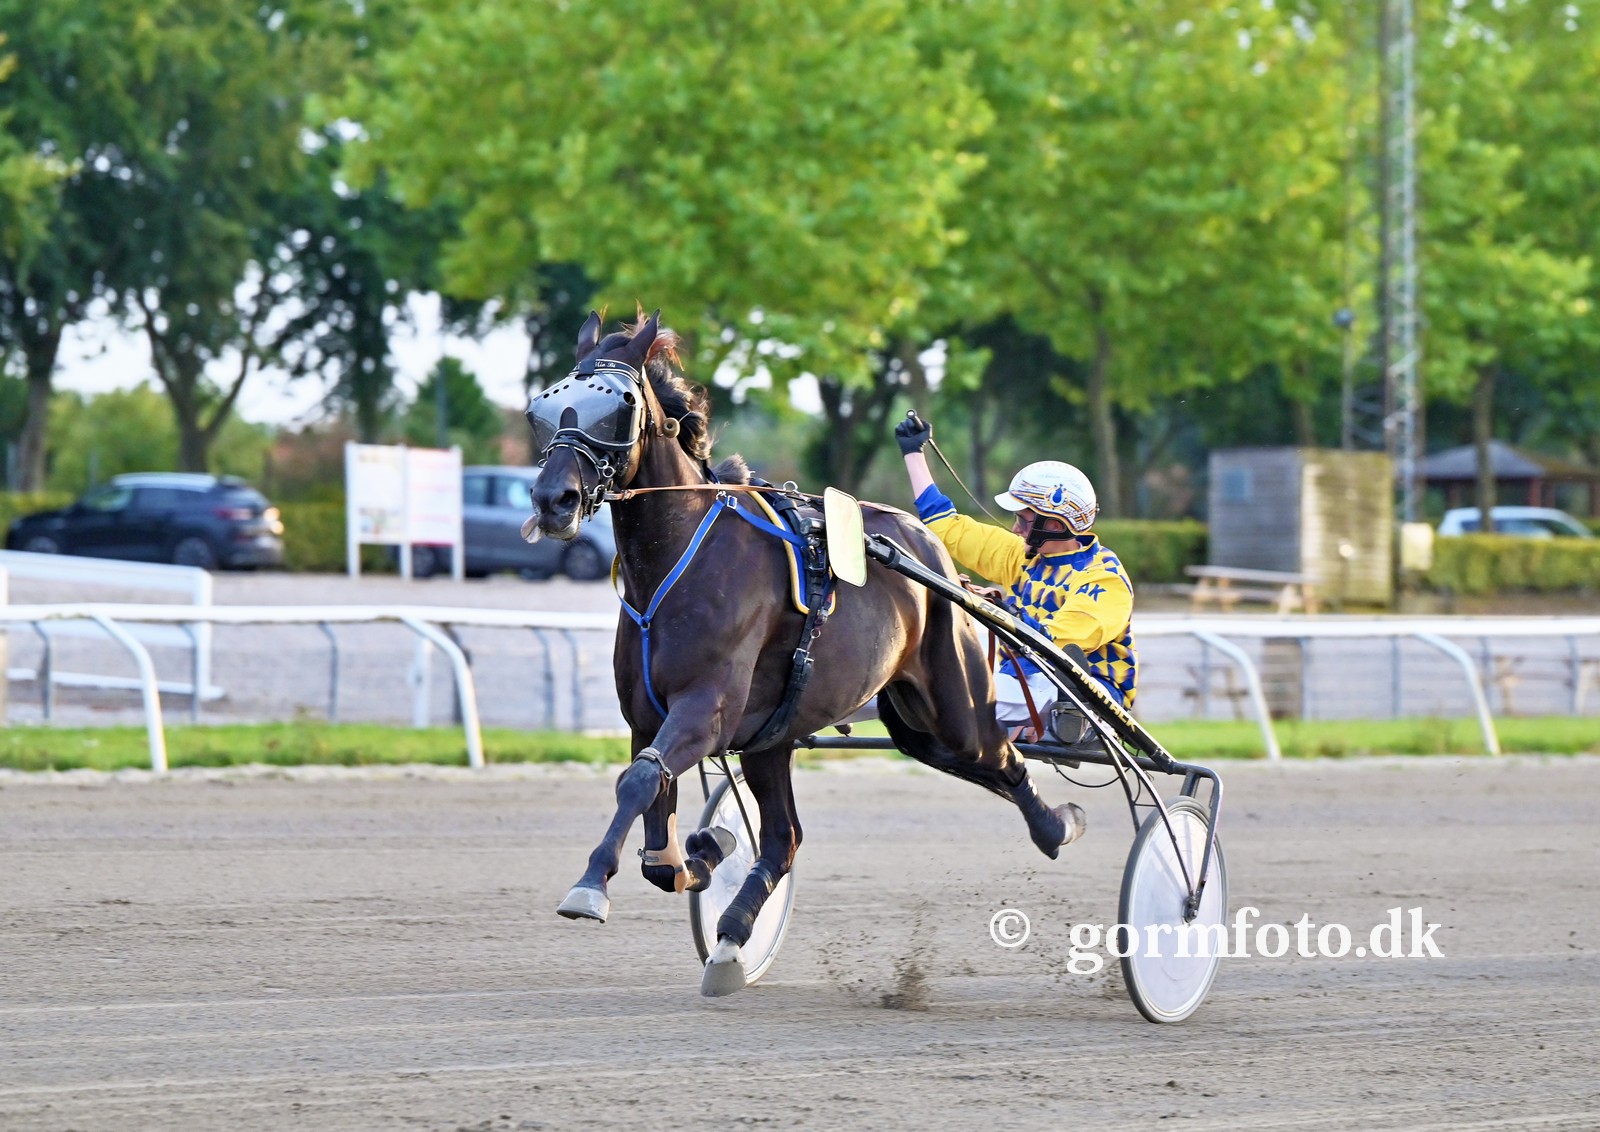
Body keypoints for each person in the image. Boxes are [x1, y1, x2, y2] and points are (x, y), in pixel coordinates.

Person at [894, 413, 1137, 742]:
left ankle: (1040, 728)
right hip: (1026, 678)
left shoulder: (1104, 580)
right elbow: (947, 527)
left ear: (1055, 523)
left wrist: (1005, 611)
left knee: (941, 687)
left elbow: (1054, 644)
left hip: (1083, 695)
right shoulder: (1025, 555)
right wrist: (913, 453)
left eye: (1024, 520)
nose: (1015, 529)